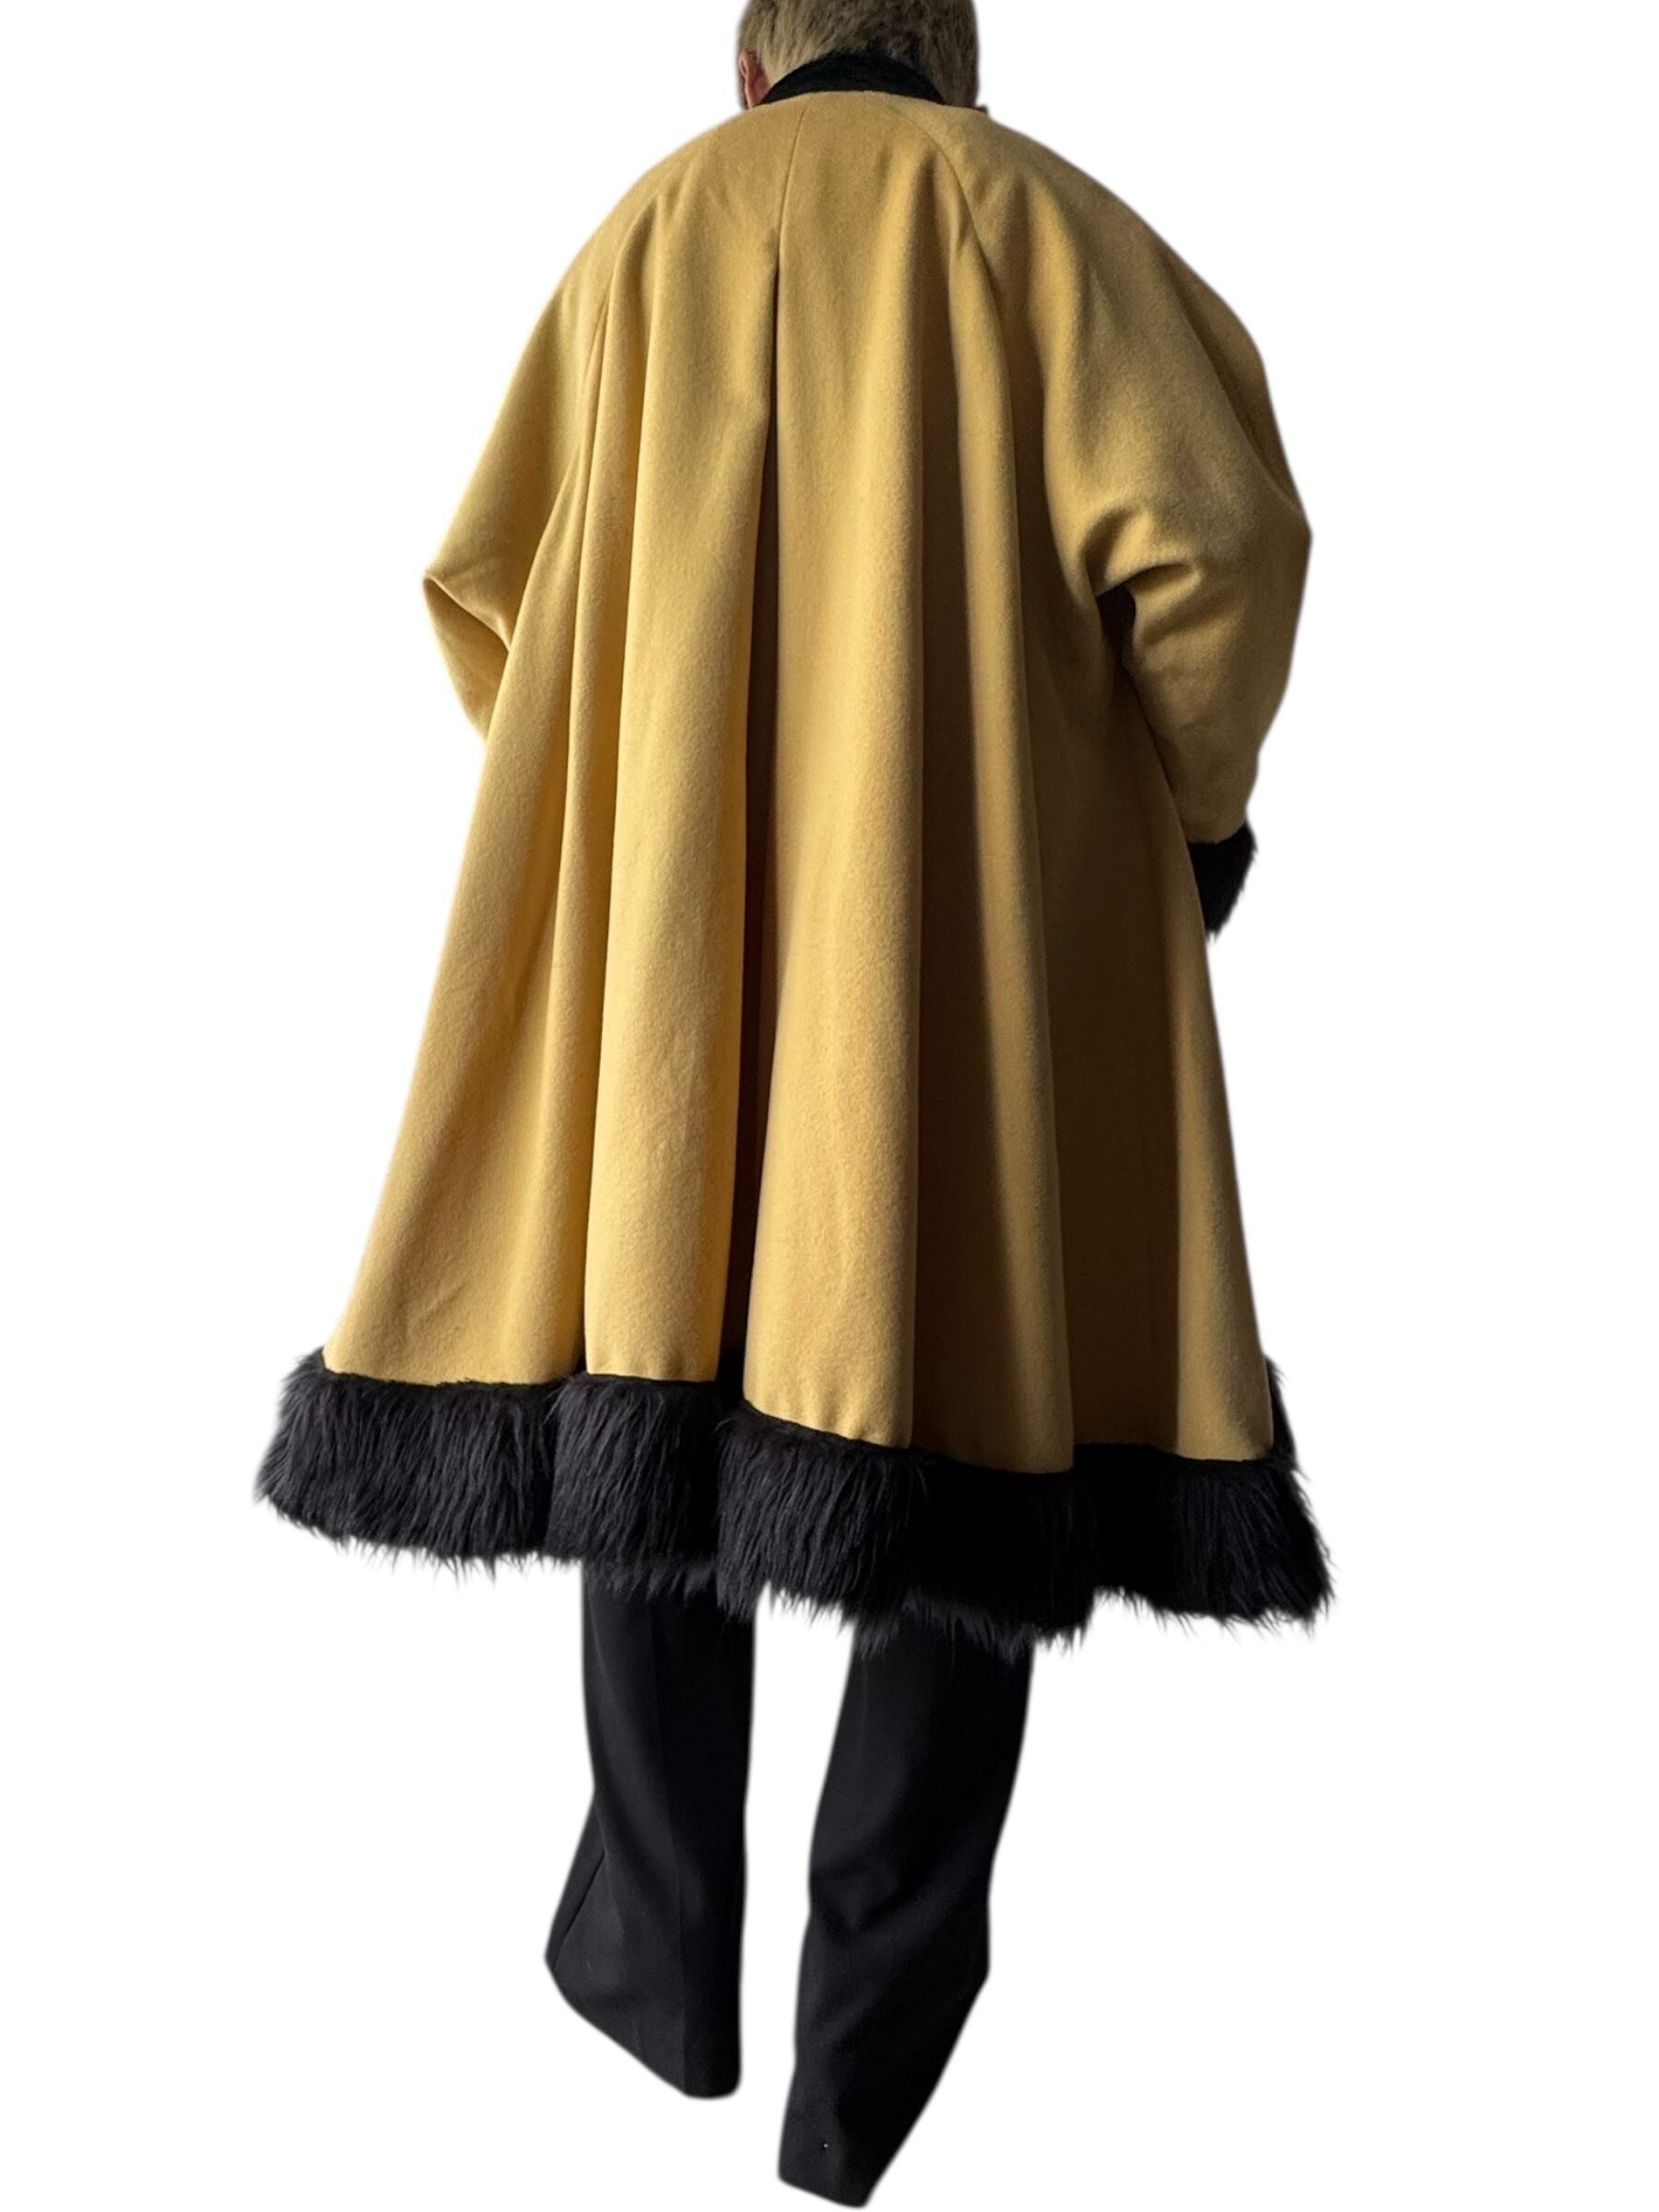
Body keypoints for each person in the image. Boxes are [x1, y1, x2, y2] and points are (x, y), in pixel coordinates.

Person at [256, 1, 1331, 2197]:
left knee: (653, 1369)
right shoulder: (1047, 227)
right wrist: (1189, 817)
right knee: (973, 1404)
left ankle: (653, 1955)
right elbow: (1222, 554)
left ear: (744, 68)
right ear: (952, 57)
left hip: (686, 944)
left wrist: (636, 776)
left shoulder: (645, 239)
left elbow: (485, 581)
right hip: (974, 938)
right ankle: (870, 2059)